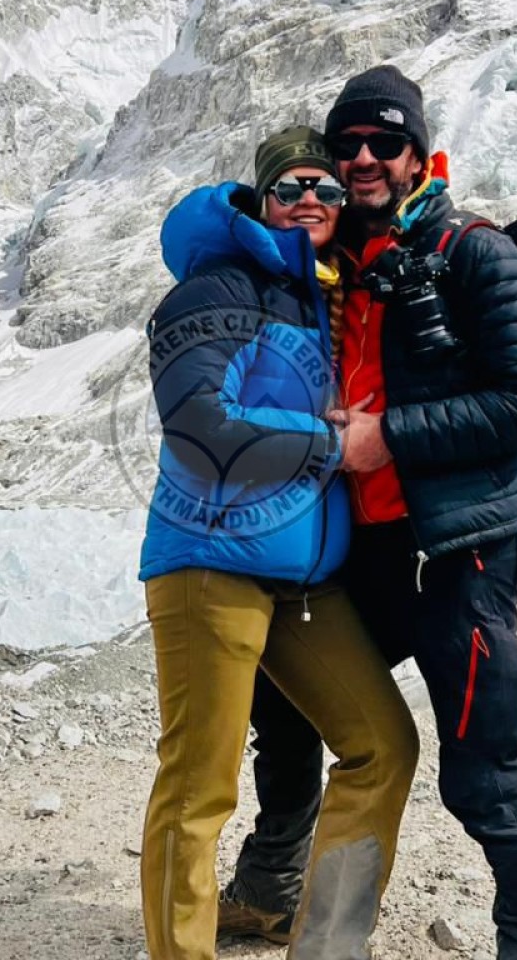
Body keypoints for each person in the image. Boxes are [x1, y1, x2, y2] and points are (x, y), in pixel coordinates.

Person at [220, 69, 517, 960]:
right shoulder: (340, 261)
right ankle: (272, 890)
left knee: (482, 760)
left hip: (460, 550)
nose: (364, 159)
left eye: (385, 144)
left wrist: (391, 437)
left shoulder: (474, 253)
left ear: (419, 155)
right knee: (287, 701)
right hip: (366, 549)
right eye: (347, 145)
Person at [138, 126, 420, 960]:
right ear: (260, 199)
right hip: (211, 565)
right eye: (291, 187)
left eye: (325, 188)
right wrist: (332, 443)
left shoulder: (321, 299)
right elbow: (199, 425)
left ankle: (325, 947)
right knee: (199, 785)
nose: (310, 200)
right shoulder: (218, 288)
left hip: (304, 584)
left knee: (383, 746)